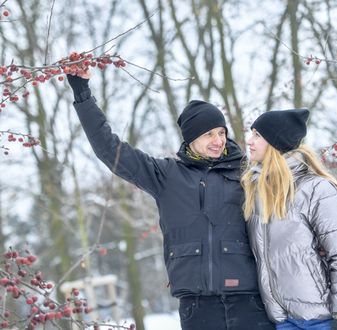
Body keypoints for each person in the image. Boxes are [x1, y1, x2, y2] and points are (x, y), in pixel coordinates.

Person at [66, 73, 275, 330]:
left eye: (221, 132)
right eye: (209, 134)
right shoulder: (166, 176)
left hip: (249, 303)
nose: (218, 141)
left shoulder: (247, 172)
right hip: (197, 308)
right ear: (191, 138)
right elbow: (109, 149)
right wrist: (82, 93)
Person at [241, 109, 337, 330]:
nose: (249, 141)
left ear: (276, 142)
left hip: (321, 318)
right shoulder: (257, 192)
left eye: (257, 135)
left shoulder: (315, 189)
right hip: (282, 320)